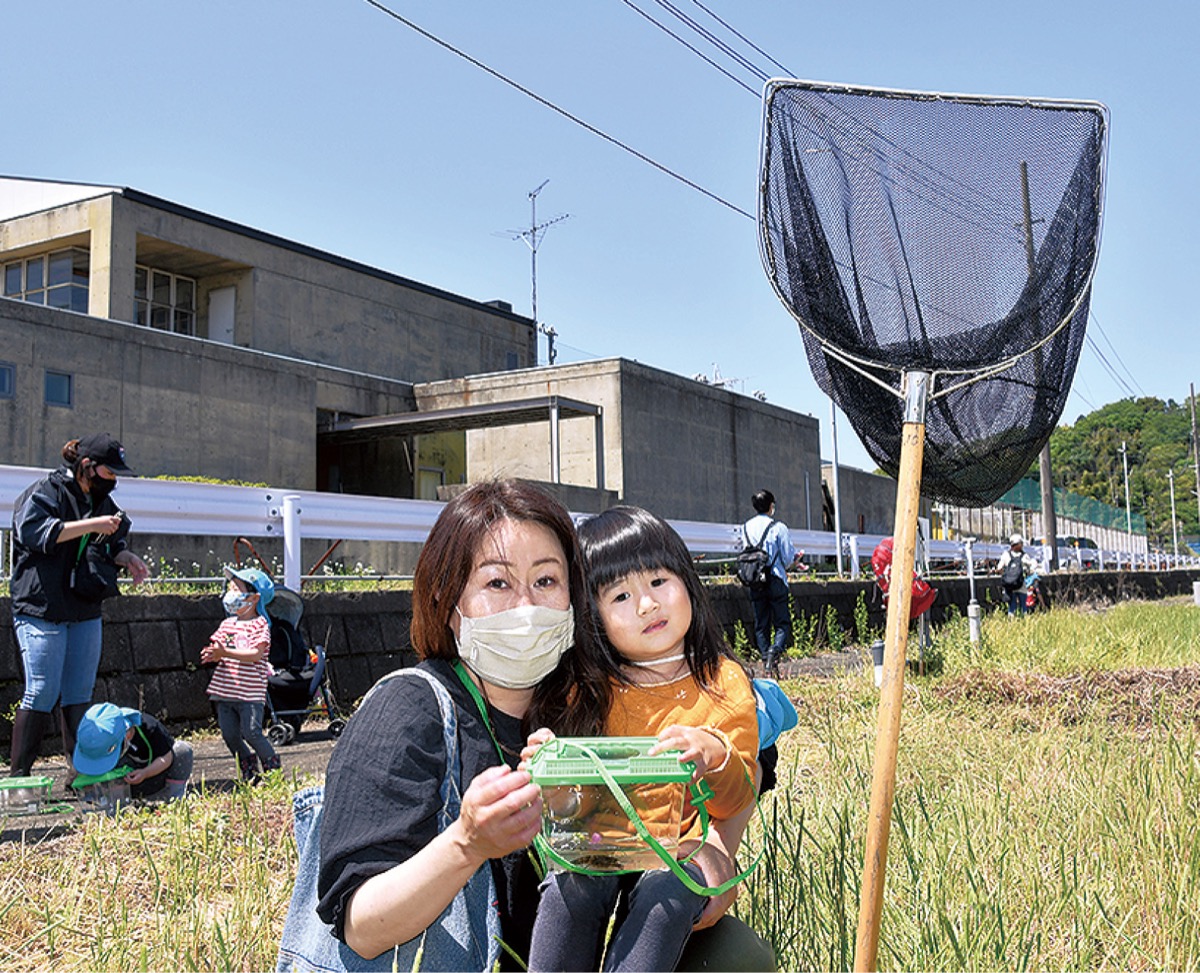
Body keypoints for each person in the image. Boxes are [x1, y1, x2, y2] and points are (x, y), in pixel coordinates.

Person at [310, 479, 612, 971]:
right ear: (448, 603)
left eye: (546, 581)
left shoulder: (576, 709)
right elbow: (360, 927)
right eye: (497, 582)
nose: (526, 606)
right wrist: (466, 844)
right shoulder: (408, 710)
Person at [525, 505, 760, 973]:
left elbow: (737, 800)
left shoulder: (722, 681)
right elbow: (572, 807)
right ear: (594, 619)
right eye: (620, 596)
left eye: (658, 582)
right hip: (601, 840)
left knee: (664, 890)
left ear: (687, 581)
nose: (647, 605)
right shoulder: (588, 689)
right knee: (571, 886)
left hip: (683, 847)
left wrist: (715, 755)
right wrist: (551, 780)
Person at [8, 434, 150, 778]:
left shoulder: (104, 503)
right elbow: (35, 533)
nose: (112, 480)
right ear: (87, 466)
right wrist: (92, 524)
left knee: (78, 694)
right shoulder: (45, 492)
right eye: (109, 472)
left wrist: (126, 557)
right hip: (41, 607)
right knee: (42, 689)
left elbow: (111, 542)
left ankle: (82, 773)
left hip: (84, 608)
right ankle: (18, 778)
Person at [201, 567, 282, 782]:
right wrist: (213, 654)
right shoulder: (227, 624)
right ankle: (248, 768)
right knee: (230, 735)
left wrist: (225, 652)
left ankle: (272, 767)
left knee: (252, 732)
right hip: (225, 691)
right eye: (230, 588)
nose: (231, 593)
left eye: (237, 588)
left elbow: (256, 654)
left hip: (250, 694)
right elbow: (218, 646)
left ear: (254, 598)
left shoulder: (260, 625)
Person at [72, 701, 194, 801]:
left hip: (154, 774)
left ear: (128, 735)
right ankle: (117, 806)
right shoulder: (97, 737)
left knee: (182, 751)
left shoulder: (150, 727)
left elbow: (166, 757)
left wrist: (146, 772)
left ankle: (174, 798)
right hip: (125, 785)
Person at [743, 489, 798, 673]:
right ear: (771, 506)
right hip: (775, 579)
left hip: (755, 579)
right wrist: (796, 560)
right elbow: (788, 558)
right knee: (782, 622)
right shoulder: (779, 527)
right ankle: (775, 652)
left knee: (761, 622)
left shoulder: (746, 527)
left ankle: (766, 659)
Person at [996, 534, 1040, 616]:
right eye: (1021, 544)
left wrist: (1006, 575)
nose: (1022, 545)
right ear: (1017, 544)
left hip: (1010, 586)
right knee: (1024, 605)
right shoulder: (1024, 556)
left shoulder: (1006, 555)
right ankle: (1025, 621)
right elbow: (1033, 566)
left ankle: (1011, 622)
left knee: (1011, 607)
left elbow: (999, 568)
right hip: (1021, 585)